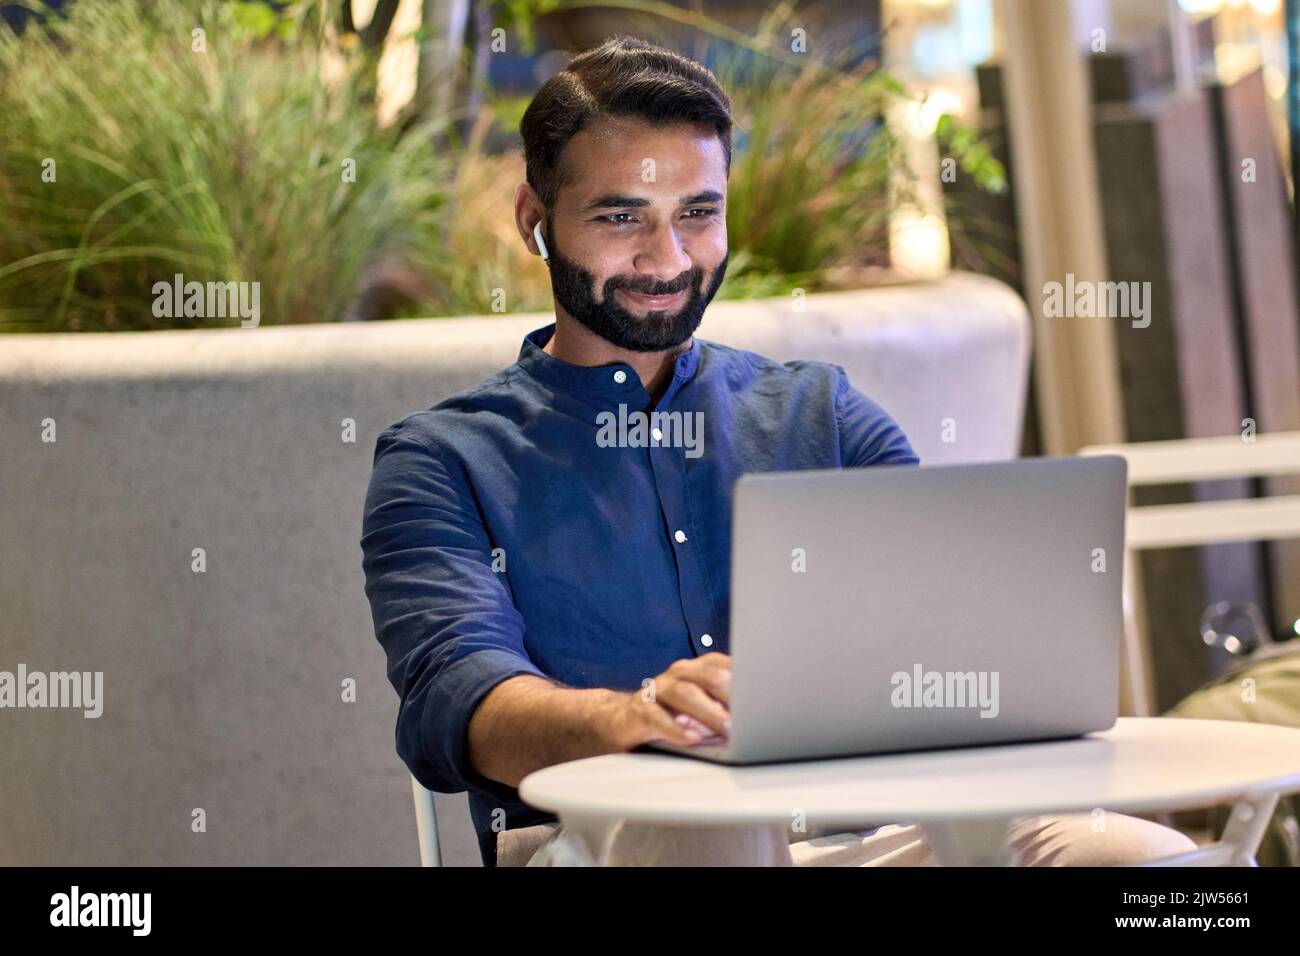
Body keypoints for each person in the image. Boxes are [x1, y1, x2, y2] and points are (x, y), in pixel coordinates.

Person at [360, 34, 1197, 867]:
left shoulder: (822, 416)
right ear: (534, 222)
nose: (668, 259)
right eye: (621, 217)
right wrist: (635, 720)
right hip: (603, 844)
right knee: (710, 830)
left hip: (865, 835)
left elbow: (942, 635)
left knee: (1147, 861)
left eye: (698, 213)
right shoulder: (442, 463)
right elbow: (456, 702)